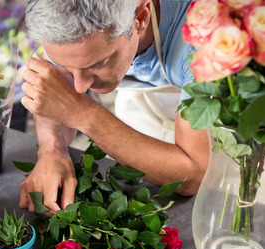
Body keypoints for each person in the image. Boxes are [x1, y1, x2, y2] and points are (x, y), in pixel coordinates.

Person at [20, 0, 209, 214]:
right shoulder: (63, 15)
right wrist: (52, 148)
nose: (80, 87)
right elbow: (54, 87)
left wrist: (83, 113)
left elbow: (194, 177)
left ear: (140, 18)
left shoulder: (204, 44)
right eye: (67, 64)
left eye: (99, 63)